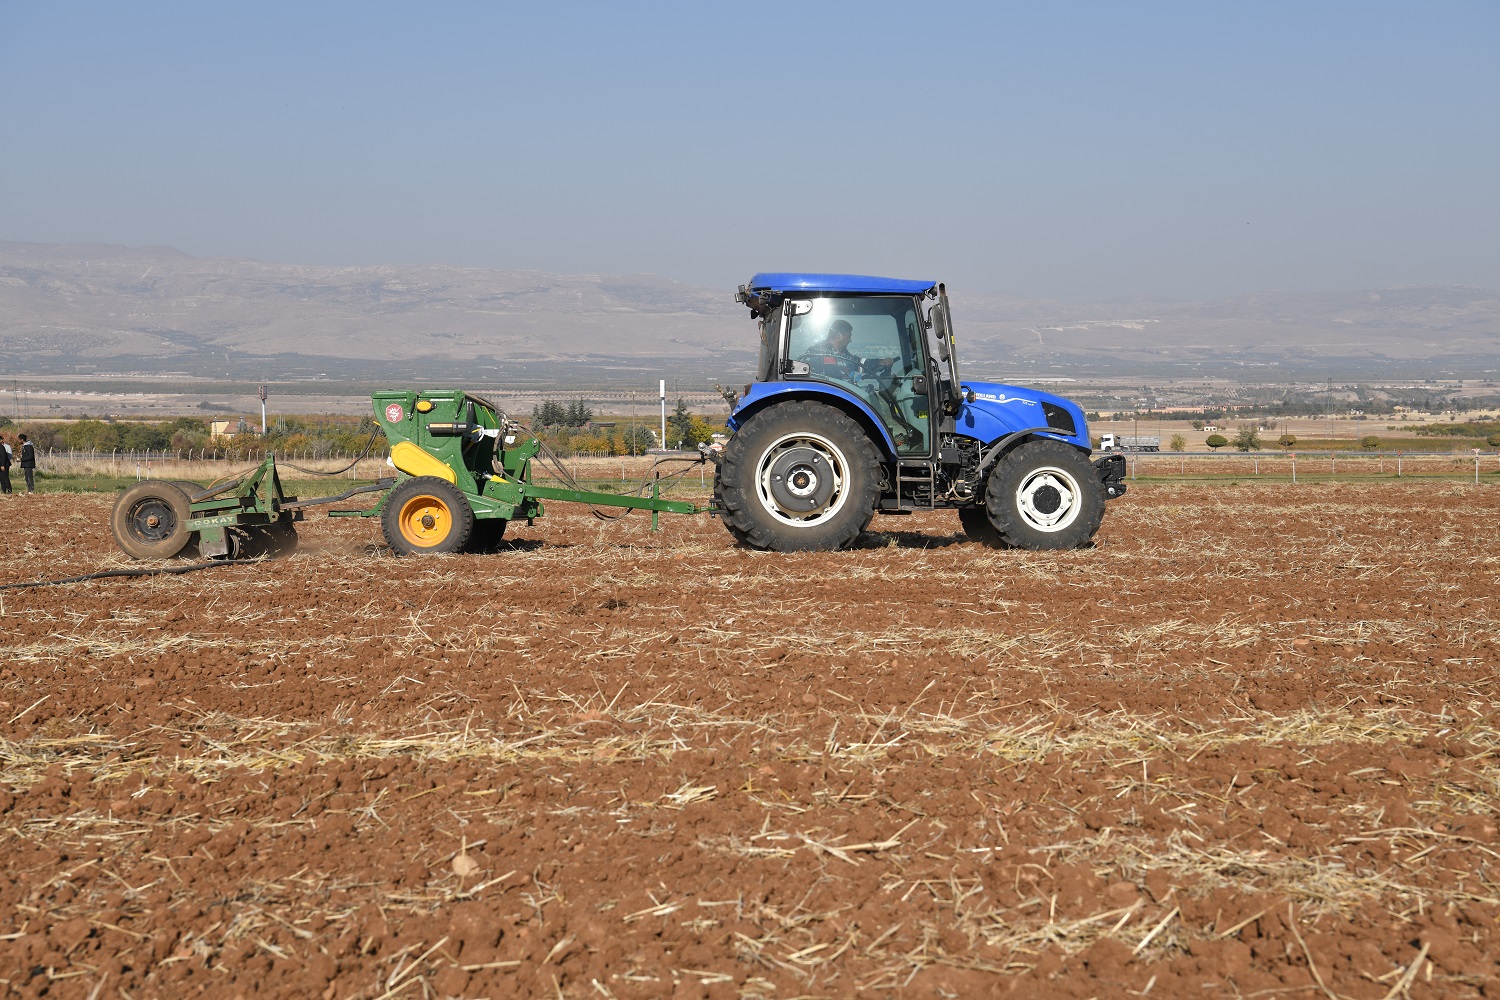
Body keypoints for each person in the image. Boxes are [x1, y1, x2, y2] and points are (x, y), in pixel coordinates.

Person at [801, 320, 895, 383]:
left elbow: (860, 364)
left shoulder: (843, 355)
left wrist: (880, 362)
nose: (850, 340)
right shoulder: (816, 352)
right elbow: (812, 380)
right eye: (849, 336)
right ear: (839, 335)